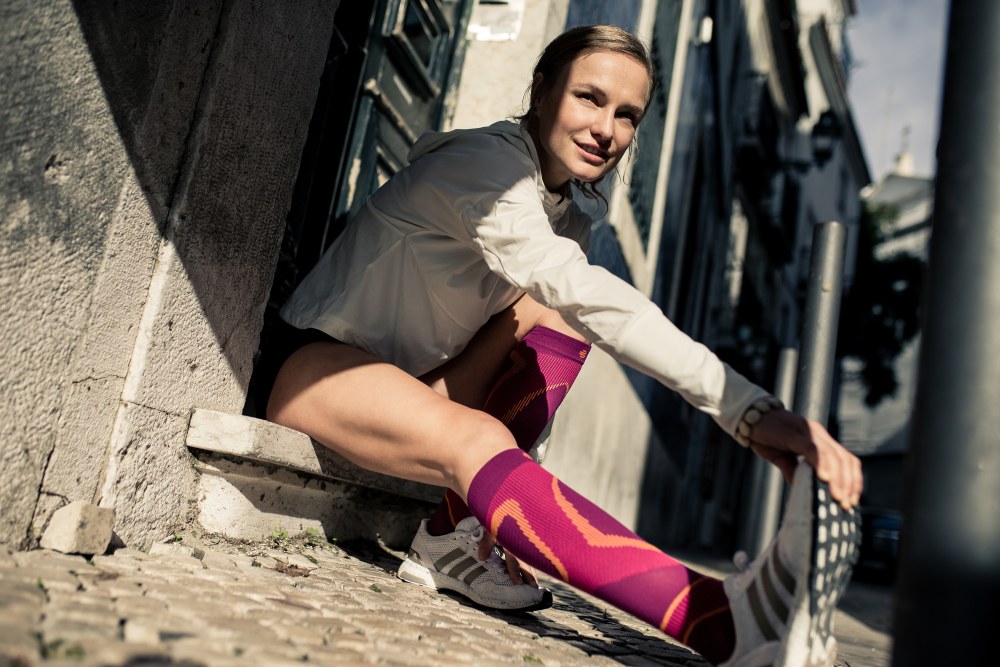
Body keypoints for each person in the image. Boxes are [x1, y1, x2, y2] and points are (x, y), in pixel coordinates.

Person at [263, 24, 863, 667]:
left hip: (417, 385)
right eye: (589, 98)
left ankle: (450, 533)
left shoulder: (569, 211)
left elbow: (564, 312)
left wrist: (515, 496)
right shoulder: (486, 167)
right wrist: (746, 410)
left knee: (560, 314)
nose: (606, 128)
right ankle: (722, 622)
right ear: (542, 90)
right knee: (540, 350)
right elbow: (590, 292)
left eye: (627, 115)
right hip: (317, 371)